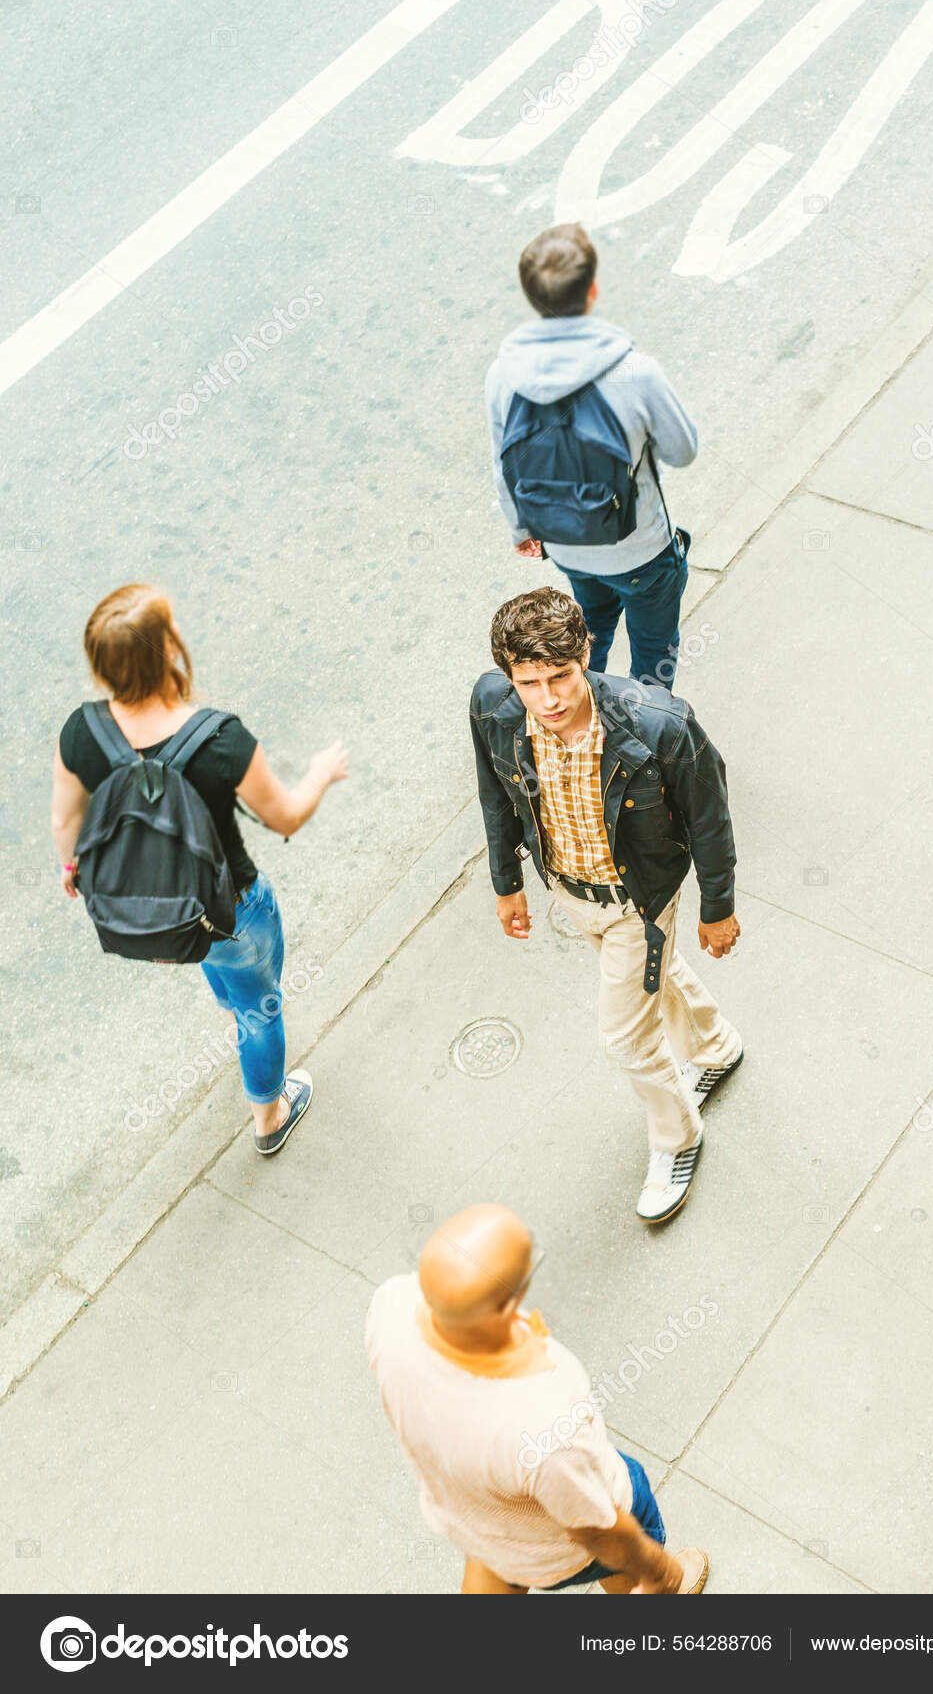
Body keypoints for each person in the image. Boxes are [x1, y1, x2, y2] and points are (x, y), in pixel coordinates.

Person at [470, 587, 742, 1223]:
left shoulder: (659, 724)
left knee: (624, 1038)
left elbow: (710, 817)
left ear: (585, 652)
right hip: (568, 887)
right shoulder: (492, 705)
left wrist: (717, 906)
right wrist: (505, 879)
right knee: (655, 973)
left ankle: (678, 1139)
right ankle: (716, 1044)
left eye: (561, 676)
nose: (550, 699)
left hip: (638, 896)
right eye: (529, 682)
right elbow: (494, 791)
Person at [50, 583, 347, 1154]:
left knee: (230, 982)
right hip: (232, 909)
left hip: (157, 906)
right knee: (262, 1010)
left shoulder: (80, 731)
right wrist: (319, 774)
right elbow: (284, 817)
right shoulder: (220, 740)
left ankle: (232, 1006)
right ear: (168, 649)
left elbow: (67, 817)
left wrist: (71, 866)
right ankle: (268, 1118)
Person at [366, 1203, 709, 1594]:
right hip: (560, 1546)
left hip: (478, 1519)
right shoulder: (542, 1423)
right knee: (621, 1563)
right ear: (507, 1304)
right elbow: (599, 1533)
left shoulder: (391, 1307)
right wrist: (660, 1573)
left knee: (498, 1560)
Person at [485, 222, 698, 691]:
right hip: (640, 547)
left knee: (591, 631)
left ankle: (582, 704)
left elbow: (504, 464)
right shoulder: (635, 371)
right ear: (593, 290)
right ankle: (641, 728)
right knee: (653, 649)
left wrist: (521, 529)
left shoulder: (504, 374)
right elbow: (683, 451)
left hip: (566, 543)